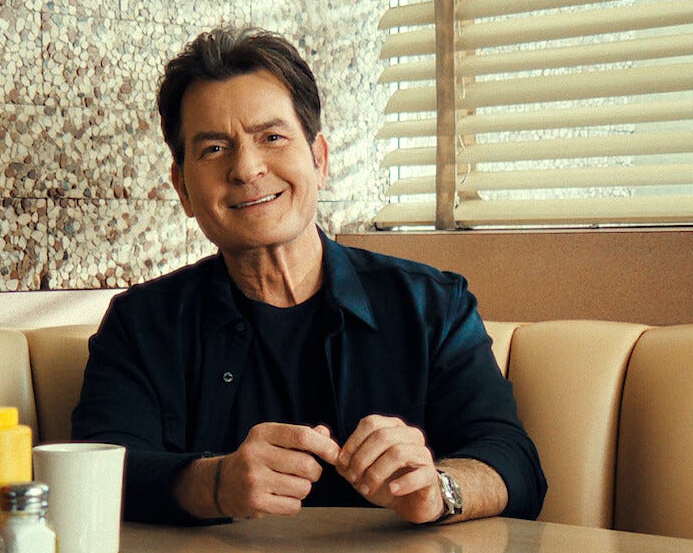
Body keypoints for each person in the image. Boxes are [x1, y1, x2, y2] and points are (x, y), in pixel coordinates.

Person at [71, 27, 545, 526]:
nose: (247, 168)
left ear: (318, 160)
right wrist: (215, 484)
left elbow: (513, 461)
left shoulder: (433, 306)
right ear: (183, 189)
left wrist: (438, 489)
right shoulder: (141, 324)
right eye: (214, 149)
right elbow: (98, 473)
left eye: (271, 138)